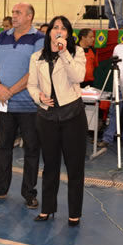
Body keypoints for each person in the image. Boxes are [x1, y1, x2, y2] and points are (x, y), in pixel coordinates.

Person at [0, 3, 44, 208]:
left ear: (29, 17)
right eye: (13, 13)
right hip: (4, 103)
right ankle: (0, 188)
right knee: (3, 147)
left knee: (32, 150)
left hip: (29, 106)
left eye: (18, 13)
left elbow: (35, 71)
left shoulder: (39, 39)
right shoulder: (1, 37)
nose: (14, 16)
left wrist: (10, 91)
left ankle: (29, 193)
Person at [27, 16, 87, 226]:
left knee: (74, 167)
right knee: (50, 166)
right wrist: (39, 97)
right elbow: (31, 85)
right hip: (47, 117)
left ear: (68, 33)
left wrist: (63, 52)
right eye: (55, 27)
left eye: (63, 28)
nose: (58, 31)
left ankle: (74, 213)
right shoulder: (37, 57)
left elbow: (78, 76)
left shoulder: (76, 52)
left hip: (73, 116)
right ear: (49, 32)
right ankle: (47, 208)